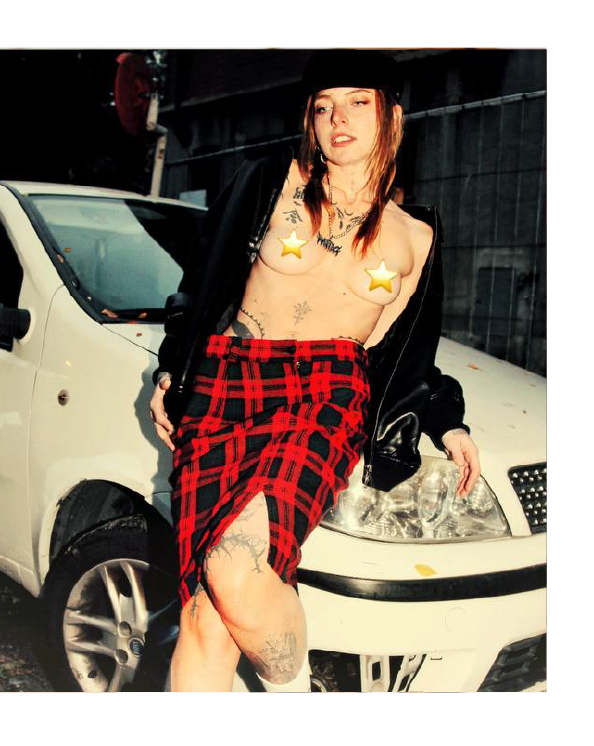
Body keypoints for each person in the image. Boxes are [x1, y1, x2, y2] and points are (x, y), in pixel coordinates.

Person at [149, 49, 480, 693]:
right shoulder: (266, 184)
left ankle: (290, 686)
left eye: (358, 102)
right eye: (324, 106)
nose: (338, 118)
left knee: (233, 566)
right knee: (204, 614)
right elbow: (200, 288)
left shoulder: (416, 235)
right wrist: (172, 371)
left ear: (392, 117)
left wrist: (448, 421)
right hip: (227, 383)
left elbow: (408, 352)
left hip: (325, 394)